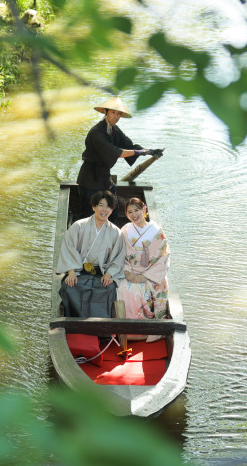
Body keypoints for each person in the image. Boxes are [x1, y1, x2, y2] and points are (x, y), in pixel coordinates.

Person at [76, 96, 163, 221]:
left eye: (119, 114)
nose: (116, 116)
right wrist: (140, 152)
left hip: (105, 178)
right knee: (87, 216)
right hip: (90, 179)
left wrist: (149, 152)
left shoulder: (114, 130)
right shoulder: (96, 132)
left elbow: (129, 146)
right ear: (105, 112)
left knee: (114, 213)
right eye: (113, 112)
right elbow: (117, 152)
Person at [56, 190, 126, 318]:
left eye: (108, 207)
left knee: (109, 289)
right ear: (93, 207)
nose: (104, 209)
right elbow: (68, 248)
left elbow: (119, 258)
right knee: (69, 286)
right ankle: (75, 323)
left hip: (101, 273)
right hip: (79, 270)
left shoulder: (116, 233)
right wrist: (71, 272)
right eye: (101, 205)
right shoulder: (78, 226)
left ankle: (102, 327)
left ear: (112, 210)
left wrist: (109, 274)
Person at [117, 197, 170, 327]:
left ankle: (145, 326)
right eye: (130, 212)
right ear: (126, 214)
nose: (134, 215)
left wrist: (144, 276)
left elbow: (163, 257)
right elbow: (120, 255)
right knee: (121, 288)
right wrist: (128, 272)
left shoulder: (157, 231)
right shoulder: (125, 230)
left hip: (151, 273)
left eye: (137, 210)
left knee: (148, 289)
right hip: (130, 271)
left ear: (144, 209)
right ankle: (126, 329)